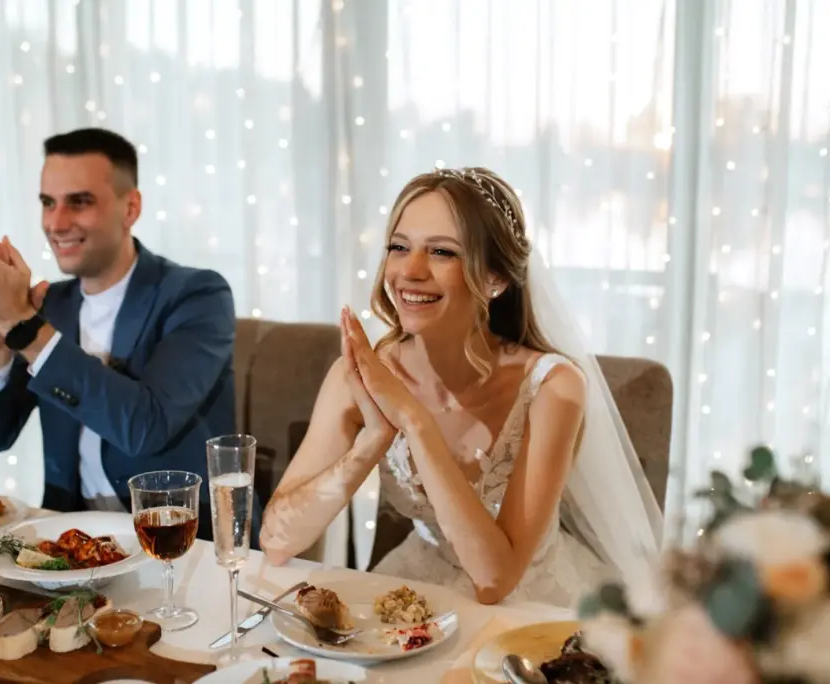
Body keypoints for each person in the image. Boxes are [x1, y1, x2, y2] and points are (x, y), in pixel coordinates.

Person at [260, 167, 663, 606]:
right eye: (399, 247)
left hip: (527, 599)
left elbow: (495, 581)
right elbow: (278, 541)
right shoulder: (359, 375)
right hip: (419, 583)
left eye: (442, 253)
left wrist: (414, 421)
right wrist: (373, 440)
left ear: (496, 279)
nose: (410, 271)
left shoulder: (553, 388)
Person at [0, 127, 257, 545]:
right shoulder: (50, 306)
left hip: (185, 542)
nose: (56, 223)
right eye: (48, 203)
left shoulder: (198, 295)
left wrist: (22, 326)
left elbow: (145, 427)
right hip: (75, 541)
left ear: (130, 207)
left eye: (78, 202)